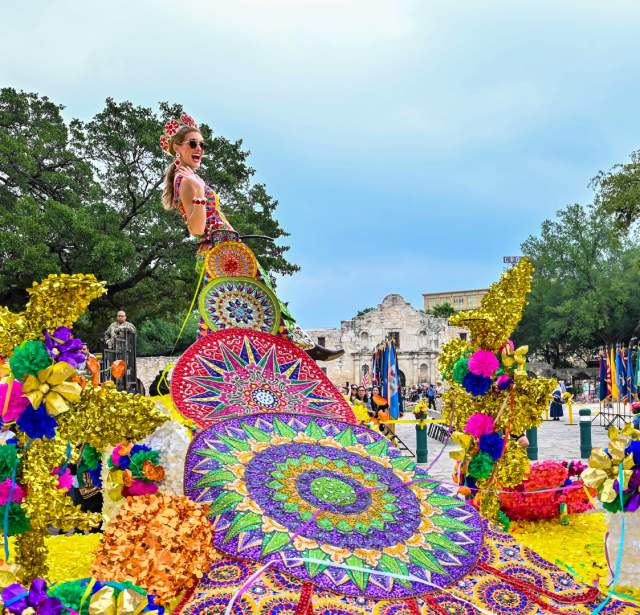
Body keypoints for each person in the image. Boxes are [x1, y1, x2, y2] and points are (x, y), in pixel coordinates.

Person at [160, 114, 343, 362]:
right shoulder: (189, 181)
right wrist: (200, 195)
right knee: (253, 303)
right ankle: (297, 348)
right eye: (193, 144)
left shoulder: (191, 178)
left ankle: (295, 348)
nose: (199, 149)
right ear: (177, 148)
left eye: (202, 144)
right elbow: (196, 227)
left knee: (231, 309)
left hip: (227, 249)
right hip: (220, 251)